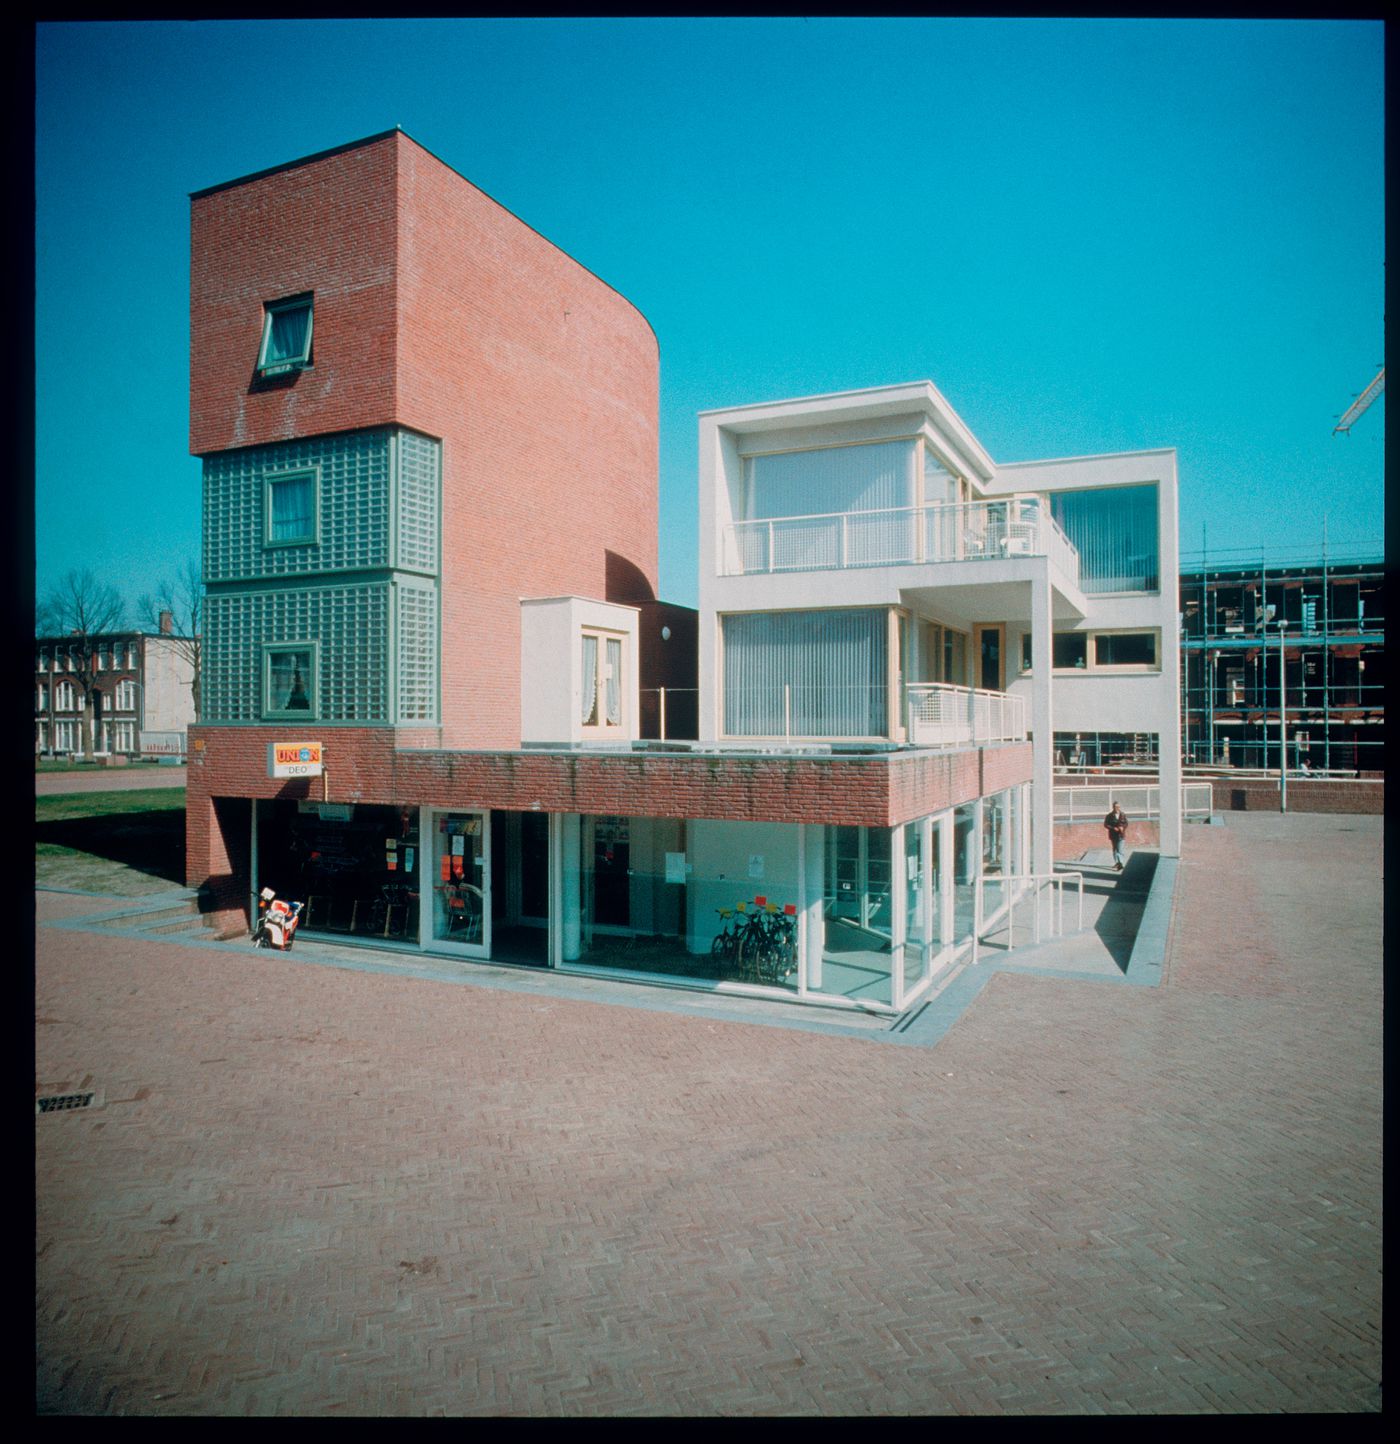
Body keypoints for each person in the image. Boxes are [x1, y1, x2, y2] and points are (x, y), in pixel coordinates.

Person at [1103, 801, 1129, 871]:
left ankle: (1121, 864)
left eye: (1118, 807)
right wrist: (1113, 828)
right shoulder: (1109, 815)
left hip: (1121, 835)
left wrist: (1123, 827)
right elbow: (1105, 824)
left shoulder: (1123, 814)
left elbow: (1126, 823)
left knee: (1120, 850)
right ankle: (1117, 862)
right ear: (1113, 807)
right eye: (1116, 807)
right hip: (1113, 835)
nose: (1117, 808)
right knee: (1115, 849)